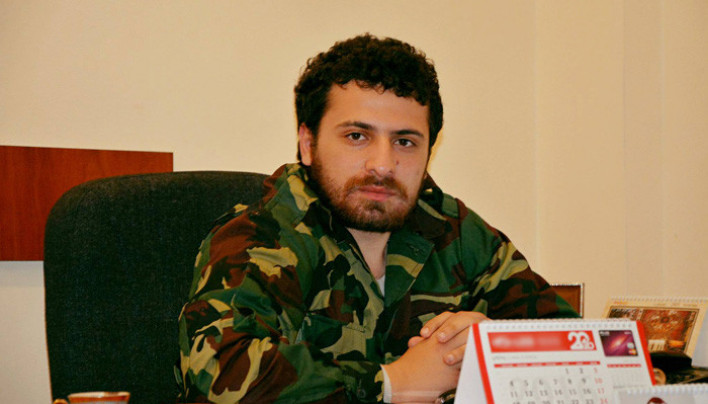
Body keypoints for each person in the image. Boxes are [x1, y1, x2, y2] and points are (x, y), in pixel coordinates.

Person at [177, 33, 578, 403]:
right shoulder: (262, 237)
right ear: (308, 143)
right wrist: (390, 382)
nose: (383, 164)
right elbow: (218, 374)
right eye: (357, 136)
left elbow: (580, 351)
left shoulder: (455, 231)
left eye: (404, 141)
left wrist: (497, 348)